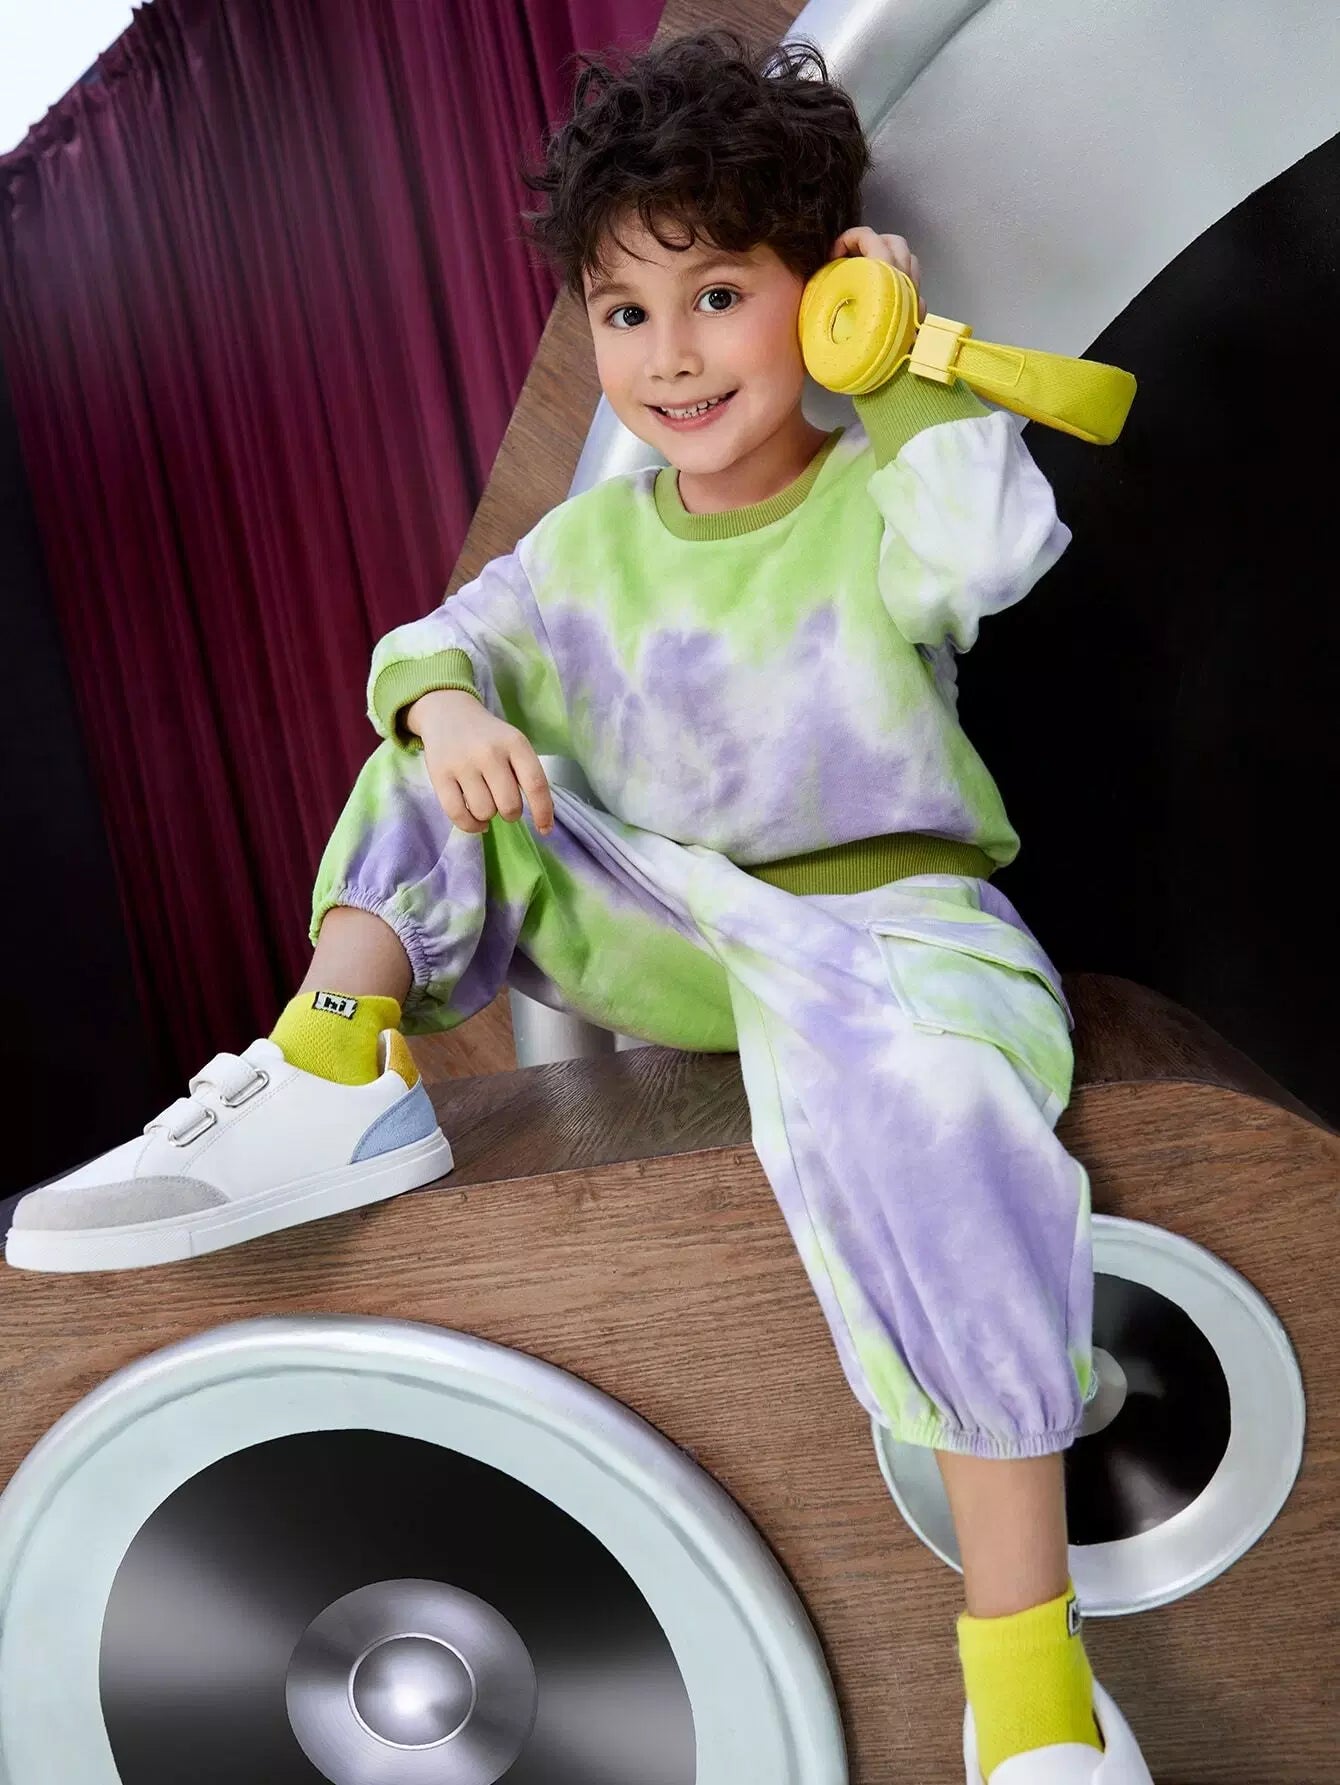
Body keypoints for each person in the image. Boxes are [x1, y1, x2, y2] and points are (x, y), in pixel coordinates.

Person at [7, 29, 1153, 1784]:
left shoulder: (877, 489)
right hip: (676, 927)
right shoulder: (587, 547)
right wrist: (448, 712)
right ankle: (329, 1063)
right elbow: (436, 642)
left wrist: (910, 363)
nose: (671, 355)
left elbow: (990, 552)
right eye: (627, 312)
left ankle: (1029, 1690)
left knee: (936, 1117)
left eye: (720, 296)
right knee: (436, 745)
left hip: (889, 930)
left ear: (827, 292)